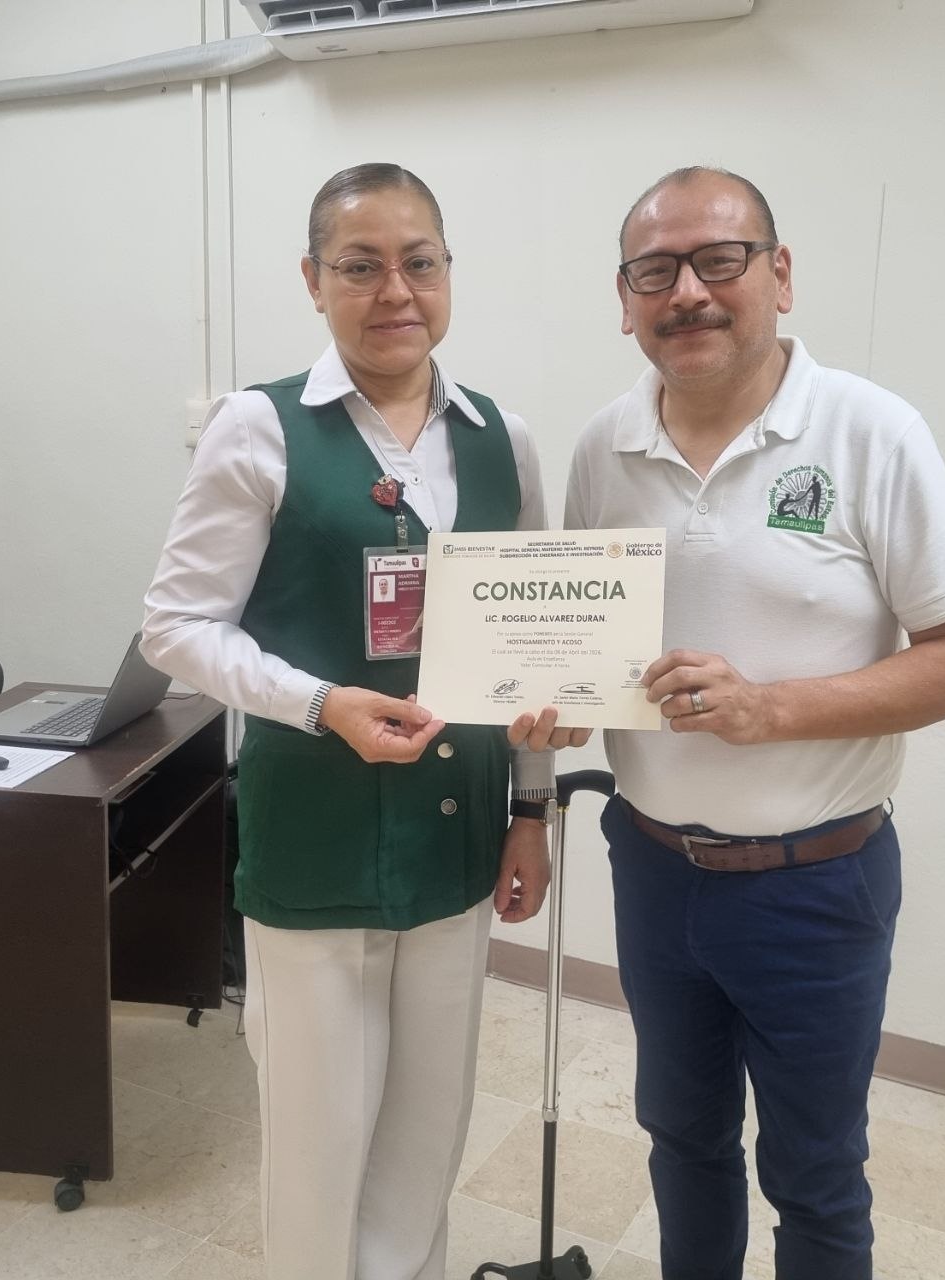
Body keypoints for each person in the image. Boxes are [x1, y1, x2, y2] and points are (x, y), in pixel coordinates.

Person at [141, 163, 583, 1280]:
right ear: (313, 280)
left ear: (448, 273)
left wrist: (531, 810)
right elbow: (175, 626)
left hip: (455, 835)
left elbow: (533, 649)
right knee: (318, 1142)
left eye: (419, 262)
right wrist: (318, 701)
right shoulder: (259, 427)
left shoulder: (502, 438)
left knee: (426, 1135)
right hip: (316, 837)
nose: (395, 290)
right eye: (360, 265)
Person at [564, 167, 945, 1280]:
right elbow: (575, 644)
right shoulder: (601, 448)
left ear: (780, 274)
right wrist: (547, 705)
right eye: (653, 271)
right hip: (652, 869)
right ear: (624, 299)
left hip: (815, 884)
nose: (687, 292)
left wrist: (771, 708)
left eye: (719, 259)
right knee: (681, 1140)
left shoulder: (870, 431)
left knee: (814, 1175)